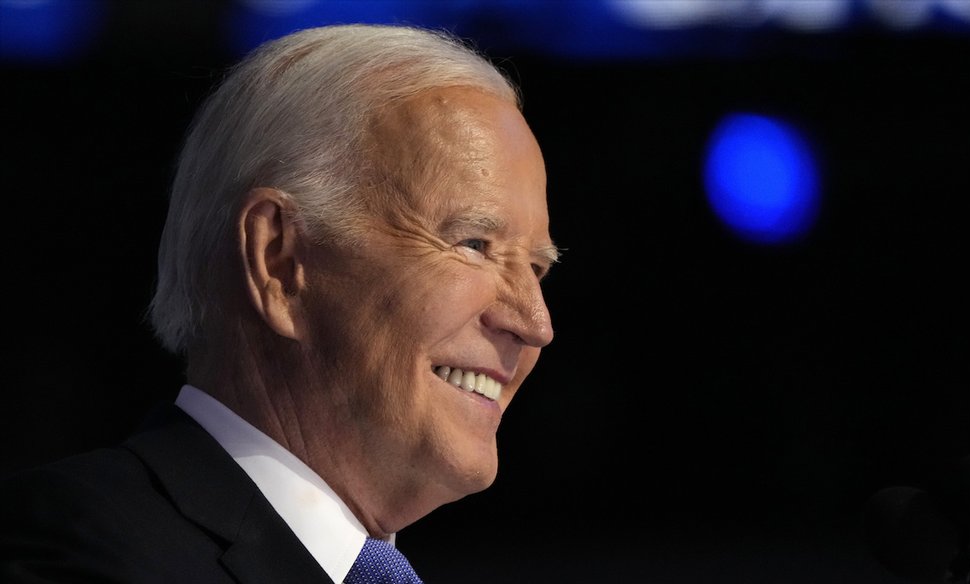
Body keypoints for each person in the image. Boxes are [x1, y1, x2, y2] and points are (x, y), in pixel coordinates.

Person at [0, 23, 558, 583]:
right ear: (279, 262)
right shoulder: (78, 552)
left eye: (535, 268)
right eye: (474, 245)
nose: (536, 324)